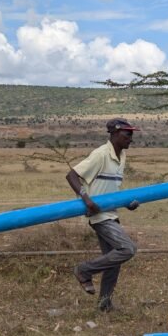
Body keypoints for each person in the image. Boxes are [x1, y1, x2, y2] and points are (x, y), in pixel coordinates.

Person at [66, 118, 141, 312]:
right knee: (127, 249)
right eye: (127, 134)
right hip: (99, 216)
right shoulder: (100, 154)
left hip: (111, 213)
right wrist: (87, 200)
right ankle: (84, 270)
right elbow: (72, 175)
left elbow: (111, 188)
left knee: (113, 262)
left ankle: (104, 304)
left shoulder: (121, 156)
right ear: (115, 133)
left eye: (132, 134)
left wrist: (126, 203)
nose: (131, 138)